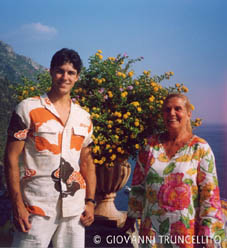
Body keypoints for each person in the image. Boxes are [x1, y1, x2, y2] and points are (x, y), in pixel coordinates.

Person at [4, 48, 96, 248]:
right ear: (51, 72)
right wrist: (17, 204)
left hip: (74, 210)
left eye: (71, 73)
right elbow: (11, 159)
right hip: (36, 207)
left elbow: (87, 162)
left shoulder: (84, 118)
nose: (65, 77)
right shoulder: (27, 109)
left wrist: (90, 201)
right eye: (60, 71)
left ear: (77, 77)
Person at [123, 93, 224, 248]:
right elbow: (138, 186)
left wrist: (208, 234)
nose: (171, 113)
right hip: (151, 233)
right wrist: (131, 217)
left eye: (178, 109)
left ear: (188, 114)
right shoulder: (150, 146)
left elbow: (209, 195)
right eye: (167, 109)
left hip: (185, 234)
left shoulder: (200, 148)